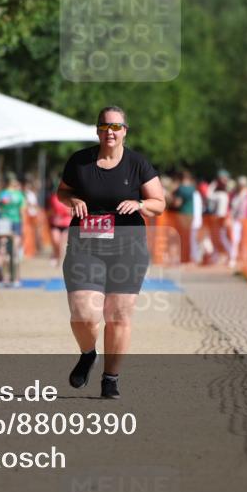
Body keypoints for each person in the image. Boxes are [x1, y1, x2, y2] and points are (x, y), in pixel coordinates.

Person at [56, 106, 165, 399]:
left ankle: (111, 379)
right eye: (105, 127)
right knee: (83, 314)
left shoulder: (137, 164)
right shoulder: (80, 162)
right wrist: (73, 199)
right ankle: (88, 353)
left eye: (116, 127)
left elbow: (159, 203)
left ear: (125, 131)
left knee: (118, 315)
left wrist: (140, 205)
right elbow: (61, 192)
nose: (110, 132)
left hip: (127, 247)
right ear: (97, 130)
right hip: (85, 245)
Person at [0, 173, 26, 287]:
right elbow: (22, 212)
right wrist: (23, 227)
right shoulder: (19, 195)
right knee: (15, 252)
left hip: (3, 223)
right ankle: (16, 278)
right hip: (16, 223)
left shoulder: (2, 194)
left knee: (4, 251)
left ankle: (4, 278)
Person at [228, 175, 247, 270]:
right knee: (235, 240)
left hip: (246, 220)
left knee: (246, 240)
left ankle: (245, 259)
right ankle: (233, 258)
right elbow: (230, 207)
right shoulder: (233, 195)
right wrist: (229, 217)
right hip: (236, 220)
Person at [47, 180, 73, 267]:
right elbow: (51, 210)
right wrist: (53, 215)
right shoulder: (53, 198)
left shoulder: (71, 198)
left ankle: (59, 260)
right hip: (56, 224)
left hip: (66, 224)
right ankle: (55, 255)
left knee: (62, 243)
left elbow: (72, 211)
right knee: (56, 241)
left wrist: (66, 212)